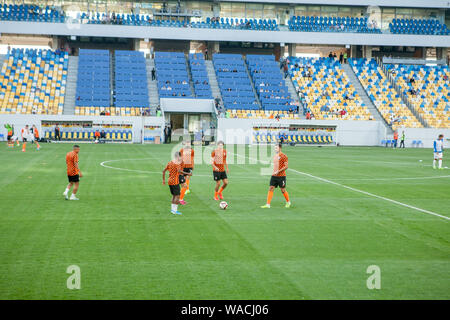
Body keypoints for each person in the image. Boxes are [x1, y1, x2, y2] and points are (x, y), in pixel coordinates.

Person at [261, 144, 291, 208]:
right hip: (274, 175)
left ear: (280, 148)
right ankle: (268, 204)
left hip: (281, 176)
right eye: (274, 148)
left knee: (283, 190)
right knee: (271, 188)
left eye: (276, 148)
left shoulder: (284, 156)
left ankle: (288, 202)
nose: (275, 149)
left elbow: (286, 166)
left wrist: (278, 171)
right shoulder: (275, 156)